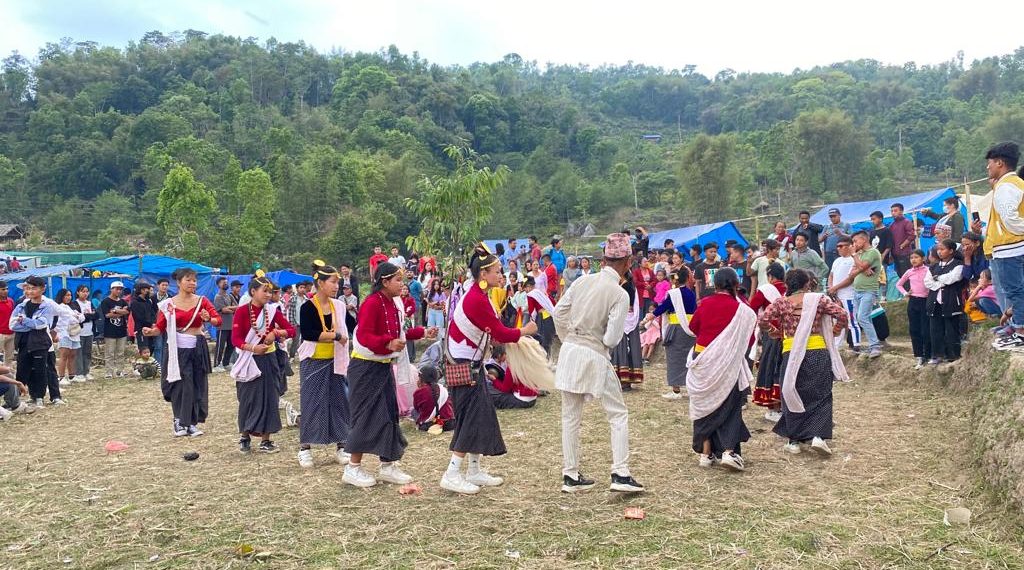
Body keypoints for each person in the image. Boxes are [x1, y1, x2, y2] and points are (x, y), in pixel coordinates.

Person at [553, 233, 644, 493]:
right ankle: (620, 472)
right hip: (594, 353)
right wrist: (595, 341)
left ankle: (570, 475)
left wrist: (569, 338)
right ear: (627, 262)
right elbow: (613, 337)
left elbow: (559, 313)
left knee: (570, 416)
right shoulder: (619, 293)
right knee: (617, 413)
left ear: (603, 259)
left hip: (570, 350)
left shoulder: (583, 281)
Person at [441, 245, 532, 494]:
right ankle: (452, 472)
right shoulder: (476, 299)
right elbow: (501, 332)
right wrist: (525, 331)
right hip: (464, 365)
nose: (500, 275)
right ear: (483, 274)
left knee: (481, 414)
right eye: (496, 271)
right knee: (471, 417)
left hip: (470, 363)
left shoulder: (477, 295)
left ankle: (473, 469)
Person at [344, 262, 435, 489]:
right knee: (365, 416)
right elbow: (364, 336)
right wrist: (387, 342)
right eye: (397, 280)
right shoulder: (372, 304)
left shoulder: (394, 304)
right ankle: (352, 468)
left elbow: (400, 334)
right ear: (384, 281)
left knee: (388, 415)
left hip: (383, 366)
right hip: (364, 368)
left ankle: (388, 465)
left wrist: (422, 332)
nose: (401, 285)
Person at [760, 269, 849, 456]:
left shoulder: (781, 303)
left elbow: (762, 319)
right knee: (821, 394)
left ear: (787, 284)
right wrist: (835, 331)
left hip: (791, 353)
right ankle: (818, 437)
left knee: (793, 394)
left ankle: (794, 441)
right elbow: (842, 314)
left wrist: (773, 331)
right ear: (807, 283)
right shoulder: (819, 299)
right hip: (817, 349)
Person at [684, 268, 756, 471]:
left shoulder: (705, 304)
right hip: (727, 362)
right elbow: (749, 339)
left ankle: (706, 454)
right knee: (729, 407)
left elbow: (693, 327)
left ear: (714, 285)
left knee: (703, 407)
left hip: (702, 359)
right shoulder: (742, 311)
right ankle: (728, 452)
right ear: (735, 285)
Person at [142, 268, 222, 438]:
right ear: (178, 282)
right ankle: (179, 420)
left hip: (197, 348)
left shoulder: (202, 301)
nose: (192, 283)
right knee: (181, 385)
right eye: (188, 280)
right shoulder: (168, 304)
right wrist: (150, 331)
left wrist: (208, 318)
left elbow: (217, 320)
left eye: (194, 280)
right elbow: (160, 327)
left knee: (196, 384)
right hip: (177, 349)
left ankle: (192, 422)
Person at [296, 262, 353, 469]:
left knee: (339, 403)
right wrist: (336, 335)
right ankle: (305, 449)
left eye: (338, 282)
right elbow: (309, 334)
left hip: (335, 361)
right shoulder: (308, 307)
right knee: (312, 403)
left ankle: (342, 446)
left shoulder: (338, 306)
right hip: (313, 361)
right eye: (333, 282)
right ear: (320, 283)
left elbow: (354, 325)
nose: (336, 286)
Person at [231, 273, 295, 454]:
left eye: (270, 292)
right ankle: (245, 436)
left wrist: (276, 333)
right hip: (248, 359)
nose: (268, 295)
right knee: (247, 399)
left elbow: (290, 330)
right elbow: (235, 339)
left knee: (270, 398)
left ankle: (266, 440)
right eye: (264, 291)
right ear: (253, 291)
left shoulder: (273, 311)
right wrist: (252, 348)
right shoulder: (243, 311)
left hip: (269, 360)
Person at [982, 143, 1024, 351]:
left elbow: (1011, 219)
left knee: (1015, 290)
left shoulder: (1006, 186)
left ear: (999, 163)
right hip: (1011, 246)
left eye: (990, 163)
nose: (988, 168)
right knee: (1016, 290)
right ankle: (1017, 325)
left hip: (1011, 247)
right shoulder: (1014, 184)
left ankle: (1020, 331)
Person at [644, 267, 697, 401]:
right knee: (689, 358)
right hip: (690, 328)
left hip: (677, 327)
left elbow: (663, 307)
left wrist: (650, 317)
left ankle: (676, 390)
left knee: (674, 358)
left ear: (676, 279)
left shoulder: (674, 294)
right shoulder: (691, 293)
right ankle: (691, 388)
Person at [10, 276, 63, 407]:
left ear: (42, 289)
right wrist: (29, 323)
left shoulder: (47, 305)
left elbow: (42, 324)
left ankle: (41, 397)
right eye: (27, 288)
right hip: (23, 342)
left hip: (40, 342)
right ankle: (24, 397)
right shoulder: (21, 306)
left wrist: (24, 321)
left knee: (42, 369)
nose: (29, 291)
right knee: (23, 370)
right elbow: (13, 325)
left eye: (33, 288)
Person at [749, 262, 787, 420]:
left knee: (770, 366)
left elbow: (752, 307)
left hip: (771, 334)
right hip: (789, 334)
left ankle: (774, 408)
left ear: (770, 276)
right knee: (784, 367)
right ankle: (785, 406)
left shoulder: (765, 290)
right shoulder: (790, 289)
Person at [924, 239, 966, 364]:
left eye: (942, 249)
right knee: (935, 329)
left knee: (951, 329)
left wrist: (938, 279)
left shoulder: (958, 264)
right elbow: (927, 282)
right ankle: (937, 355)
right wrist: (941, 284)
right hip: (934, 303)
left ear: (951, 250)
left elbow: (954, 278)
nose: (939, 252)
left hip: (951, 302)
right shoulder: (933, 267)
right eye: (938, 249)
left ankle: (953, 355)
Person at [849, 230, 884, 358]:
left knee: (862, 317)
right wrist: (863, 269)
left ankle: (875, 346)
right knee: (864, 318)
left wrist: (856, 259)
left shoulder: (872, 252)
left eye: (855, 241)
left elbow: (861, 266)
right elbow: (852, 272)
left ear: (864, 240)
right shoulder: (861, 254)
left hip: (869, 290)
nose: (854, 244)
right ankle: (872, 345)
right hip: (857, 291)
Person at [895, 250, 932, 368]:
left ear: (923, 258)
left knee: (925, 329)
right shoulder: (909, 272)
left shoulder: (928, 270)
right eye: (911, 258)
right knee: (914, 329)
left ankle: (928, 354)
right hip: (913, 302)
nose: (913, 260)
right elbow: (899, 284)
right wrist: (906, 293)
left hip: (925, 301)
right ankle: (919, 355)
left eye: (916, 257)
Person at [827, 237, 861, 352]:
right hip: (836, 295)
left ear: (849, 246)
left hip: (848, 294)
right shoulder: (837, 261)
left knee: (852, 320)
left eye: (841, 246)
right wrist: (831, 288)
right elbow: (831, 275)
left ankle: (856, 344)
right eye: (837, 246)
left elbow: (850, 279)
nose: (838, 249)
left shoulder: (853, 260)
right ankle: (837, 346)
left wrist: (835, 288)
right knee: (837, 321)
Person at [611, 279, 644, 391]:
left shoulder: (628, 286)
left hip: (624, 319)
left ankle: (625, 380)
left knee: (624, 348)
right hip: (623, 318)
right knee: (621, 349)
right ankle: (621, 380)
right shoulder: (620, 285)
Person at [53, 288, 84, 386]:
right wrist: (77, 317)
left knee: (72, 355)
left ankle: (72, 375)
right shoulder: (59, 307)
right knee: (64, 355)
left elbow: (81, 317)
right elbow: (70, 319)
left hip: (74, 333)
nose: (68, 297)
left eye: (70, 295)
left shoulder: (71, 307)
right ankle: (61, 377)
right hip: (64, 333)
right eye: (66, 295)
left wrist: (77, 317)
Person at [99, 281, 130, 378]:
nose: (119, 291)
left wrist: (116, 310)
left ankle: (120, 370)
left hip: (122, 330)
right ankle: (109, 371)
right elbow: (108, 315)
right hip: (110, 331)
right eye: (116, 289)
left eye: (120, 289)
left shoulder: (123, 301)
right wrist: (121, 312)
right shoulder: (105, 301)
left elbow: (127, 311)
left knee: (121, 352)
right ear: (111, 289)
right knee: (110, 353)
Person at [413, 364, 454, 431]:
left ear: (421, 378)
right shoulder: (443, 389)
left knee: (413, 411)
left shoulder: (419, 391)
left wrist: (419, 388)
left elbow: (417, 408)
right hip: (448, 423)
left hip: (429, 424)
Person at [213, 278, 240, 373]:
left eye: (226, 282)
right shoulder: (218, 297)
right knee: (220, 345)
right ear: (218, 285)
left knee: (231, 345)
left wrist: (229, 308)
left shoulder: (229, 296)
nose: (225, 283)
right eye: (223, 282)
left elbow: (238, 307)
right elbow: (223, 310)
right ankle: (216, 364)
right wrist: (231, 309)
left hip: (231, 325)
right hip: (222, 325)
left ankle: (226, 363)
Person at [524, 276, 555, 354]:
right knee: (548, 339)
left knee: (541, 339)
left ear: (528, 287)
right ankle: (548, 357)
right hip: (549, 316)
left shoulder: (530, 294)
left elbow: (532, 311)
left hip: (542, 318)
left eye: (525, 288)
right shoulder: (540, 292)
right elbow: (552, 302)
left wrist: (533, 321)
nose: (525, 290)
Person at [72, 285, 97, 381]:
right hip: (79, 332)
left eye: (87, 291)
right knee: (79, 353)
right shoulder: (75, 304)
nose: (85, 293)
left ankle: (87, 371)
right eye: (83, 291)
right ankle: (79, 372)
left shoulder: (90, 303)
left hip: (89, 331)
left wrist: (87, 316)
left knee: (87, 353)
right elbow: (78, 318)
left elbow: (96, 314)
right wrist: (88, 316)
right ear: (78, 292)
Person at [130, 282, 158, 365]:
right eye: (147, 289)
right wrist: (149, 323)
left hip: (151, 329)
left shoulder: (148, 301)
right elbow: (138, 317)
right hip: (141, 329)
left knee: (151, 347)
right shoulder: (135, 302)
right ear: (141, 290)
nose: (148, 291)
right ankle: (139, 366)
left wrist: (153, 323)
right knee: (143, 348)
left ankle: (149, 365)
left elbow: (152, 313)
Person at [889, 203, 917, 277]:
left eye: (895, 211)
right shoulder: (892, 225)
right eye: (891, 211)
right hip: (895, 254)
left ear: (901, 211)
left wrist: (903, 245)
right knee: (899, 275)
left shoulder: (906, 222)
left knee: (906, 275)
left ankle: (909, 288)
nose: (893, 213)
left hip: (905, 253)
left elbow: (912, 235)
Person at [0, 281, 15, 368]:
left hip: (11, 332)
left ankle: (8, 377)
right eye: (3, 289)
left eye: (7, 289)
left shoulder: (11, 301)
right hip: (0, 333)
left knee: (9, 357)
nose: (6, 291)